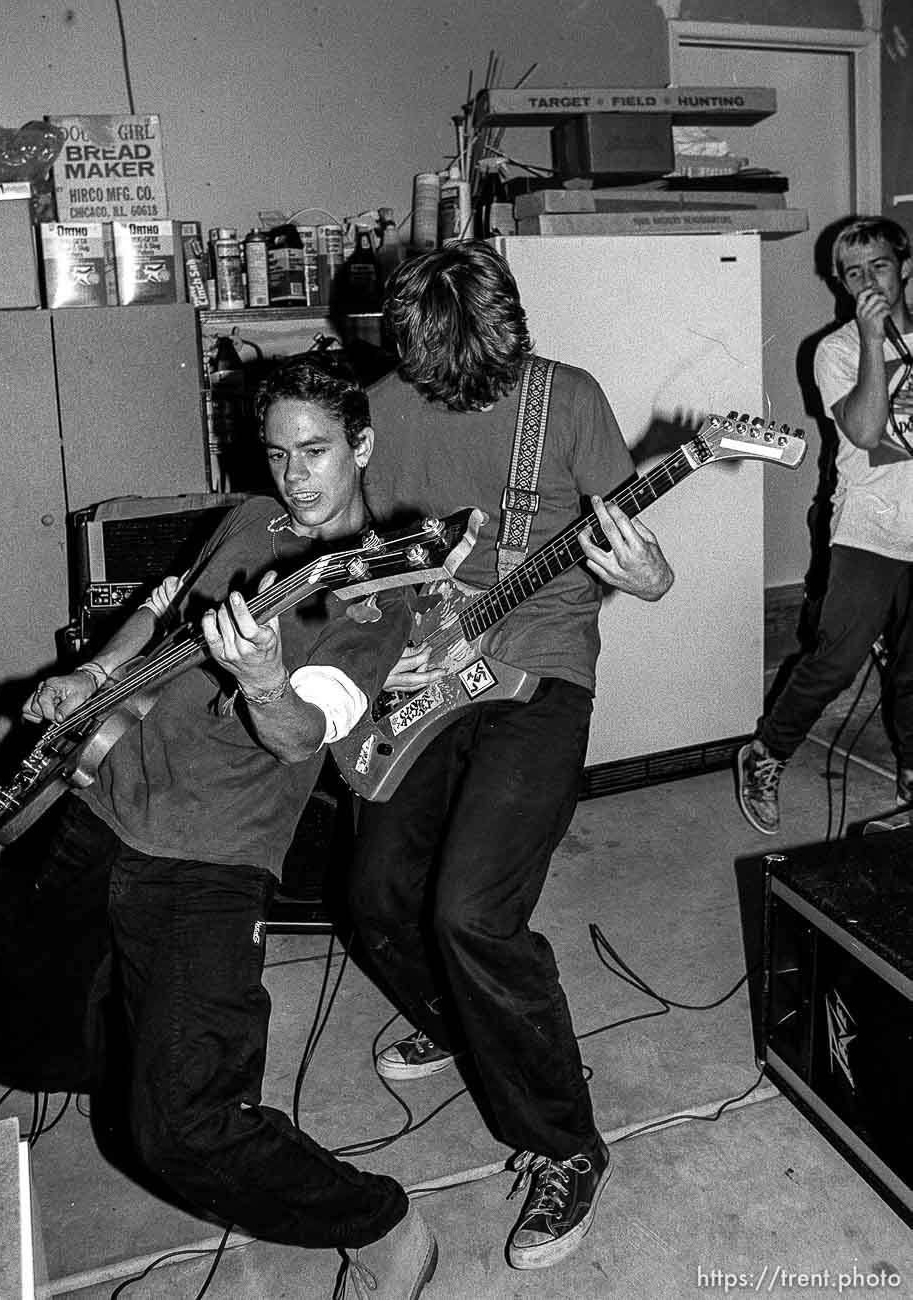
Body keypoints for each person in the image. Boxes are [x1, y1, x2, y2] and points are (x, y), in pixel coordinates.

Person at [0, 352, 437, 1300]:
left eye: (316, 452)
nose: (296, 478)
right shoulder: (251, 520)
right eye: (278, 454)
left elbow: (304, 731)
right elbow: (161, 607)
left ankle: (380, 1221)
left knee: (180, 1125)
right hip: (105, 795)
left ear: (363, 445)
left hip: (207, 857)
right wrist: (98, 676)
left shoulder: (376, 593)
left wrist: (263, 675)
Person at [345, 241, 674, 1271]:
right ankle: (464, 1018)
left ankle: (565, 1143)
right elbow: (369, 556)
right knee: (370, 894)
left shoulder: (566, 400)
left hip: (542, 663)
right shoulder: (384, 407)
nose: (466, 394)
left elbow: (631, 554)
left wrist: (651, 575)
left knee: (471, 910)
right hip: (426, 670)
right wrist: (394, 628)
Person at [737, 216, 913, 835]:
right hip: (869, 529)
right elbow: (866, 432)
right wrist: (872, 341)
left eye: (880, 267)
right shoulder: (835, 350)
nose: (868, 281)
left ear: (905, 268)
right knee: (835, 661)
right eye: (853, 272)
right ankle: (768, 752)